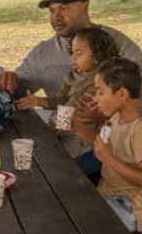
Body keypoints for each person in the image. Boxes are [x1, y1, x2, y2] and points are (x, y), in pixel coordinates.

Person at [0, 0, 142, 212]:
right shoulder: (43, 53)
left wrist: (108, 109)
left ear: (85, 6)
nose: (56, 16)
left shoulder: (121, 46)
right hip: (66, 143)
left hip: (117, 140)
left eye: (64, 8)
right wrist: (11, 81)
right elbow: (18, 90)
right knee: (59, 190)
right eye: (52, 10)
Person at [76, 58, 142, 232]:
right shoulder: (116, 118)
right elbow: (103, 146)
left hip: (130, 207)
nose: (96, 98)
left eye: (101, 92)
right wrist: (78, 128)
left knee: (75, 222)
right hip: (109, 194)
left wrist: (109, 159)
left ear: (122, 94)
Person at [16, 26, 118, 157]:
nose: (73, 59)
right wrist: (39, 101)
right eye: (72, 53)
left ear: (96, 57)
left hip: (86, 144)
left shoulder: (99, 85)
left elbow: (73, 118)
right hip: (65, 129)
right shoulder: (75, 74)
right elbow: (62, 100)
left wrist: (42, 129)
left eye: (79, 54)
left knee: (41, 155)